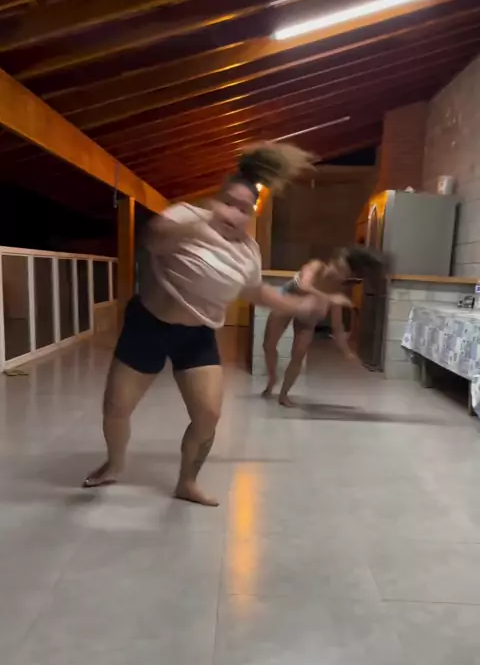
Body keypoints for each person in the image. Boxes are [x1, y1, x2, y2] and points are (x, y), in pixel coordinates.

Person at [83, 143, 350, 506]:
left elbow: (255, 292)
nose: (233, 214)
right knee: (116, 408)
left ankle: (187, 482)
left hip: (197, 335)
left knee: (208, 415)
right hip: (148, 325)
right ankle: (114, 464)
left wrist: (301, 303)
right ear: (215, 200)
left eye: (243, 209)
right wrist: (195, 228)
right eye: (228, 203)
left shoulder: (248, 251)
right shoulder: (187, 217)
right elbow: (155, 237)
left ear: (251, 214)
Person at [262, 247, 382, 407]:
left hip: (308, 316)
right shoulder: (316, 266)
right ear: (332, 261)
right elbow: (304, 286)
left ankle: (283, 395)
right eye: (338, 267)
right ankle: (272, 379)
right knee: (269, 345)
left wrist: (347, 352)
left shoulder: (337, 289)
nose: (337, 273)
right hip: (287, 301)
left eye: (343, 273)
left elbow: (337, 326)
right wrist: (329, 298)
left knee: (298, 354)